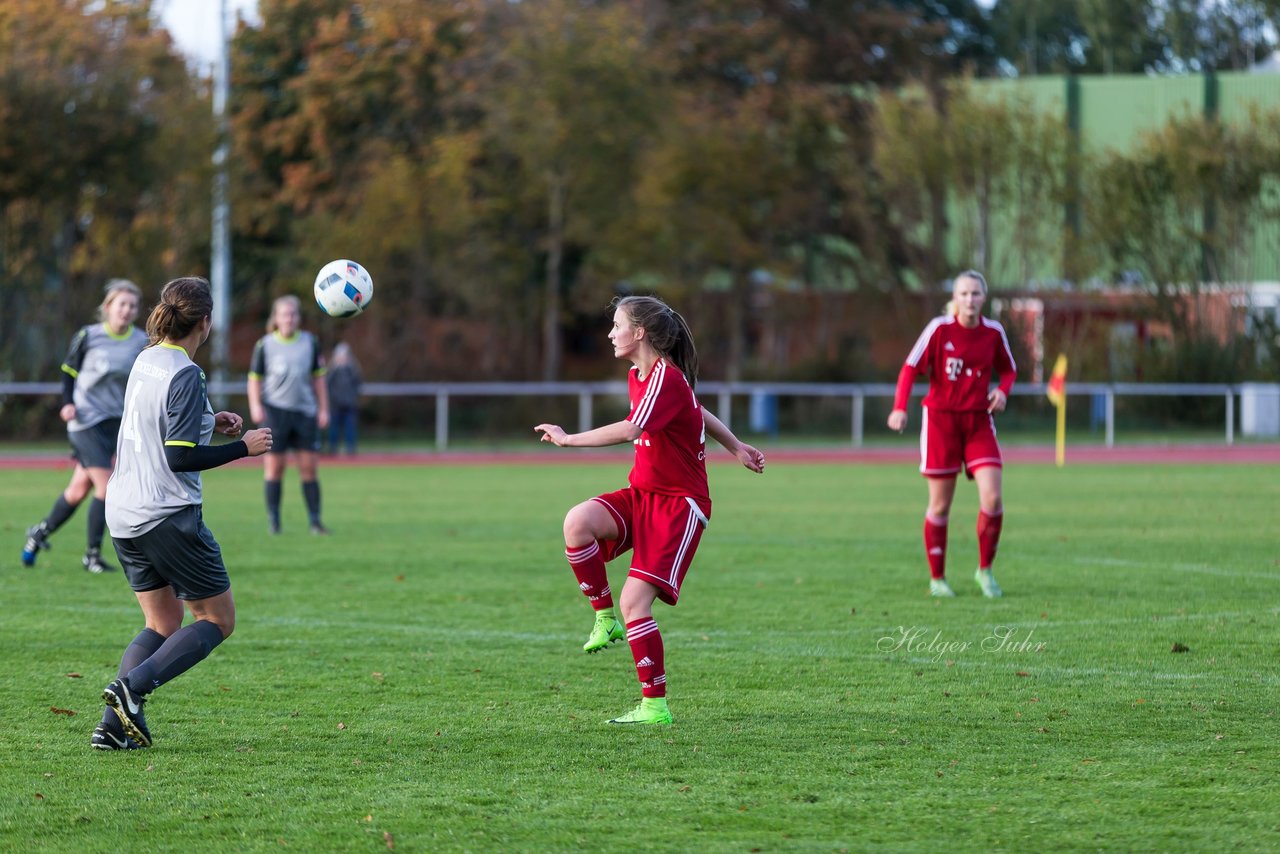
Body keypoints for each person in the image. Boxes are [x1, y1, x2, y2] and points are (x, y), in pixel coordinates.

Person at [535, 295, 766, 725]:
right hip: (642, 494)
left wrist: (568, 440)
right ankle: (604, 618)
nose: (610, 333)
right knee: (578, 522)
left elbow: (632, 428)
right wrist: (735, 446)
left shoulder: (666, 377)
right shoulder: (643, 376)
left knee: (635, 602)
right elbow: (697, 409)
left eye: (617, 325)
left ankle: (654, 707)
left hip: (679, 507)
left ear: (639, 333)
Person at [96, 276, 272, 750]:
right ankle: (131, 690)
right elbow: (178, 457)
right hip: (167, 514)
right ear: (206, 323)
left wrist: (209, 422)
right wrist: (242, 447)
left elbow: (158, 425)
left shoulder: (146, 358)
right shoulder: (186, 373)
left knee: (161, 624)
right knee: (217, 619)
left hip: (124, 512)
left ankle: (113, 728)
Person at [887, 270, 1016, 599]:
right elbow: (909, 367)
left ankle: (985, 571)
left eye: (975, 293)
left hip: (978, 423)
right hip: (941, 423)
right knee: (940, 506)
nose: (970, 299)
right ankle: (938, 578)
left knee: (993, 498)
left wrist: (1002, 391)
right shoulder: (939, 329)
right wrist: (899, 407)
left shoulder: (993, 332)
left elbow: (1009, 369)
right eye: (964, 294)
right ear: (954, 299)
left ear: (984, 298)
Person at [22, 279, 148, 574]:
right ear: (108, 307)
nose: (127, 310)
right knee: (108, 486)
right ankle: (92, 555)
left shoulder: (141, 341)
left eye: (133, 306)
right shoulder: (88, 336)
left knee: (78, 490)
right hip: (84, 421)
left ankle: (38, 533)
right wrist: (67, 402)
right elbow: (68, 371)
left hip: (115, 423)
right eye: (122, 304)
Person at [247, 295, 330, 534]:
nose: (289, 319)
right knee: (274, 469)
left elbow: (319, 378)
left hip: (304, 412)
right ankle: (274, 522)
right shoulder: (265, 345)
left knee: (309, 469)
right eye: (284, 314)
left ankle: (315, 522)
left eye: (293, 314)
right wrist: (255, 406)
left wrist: (324, 408)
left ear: (299, 318)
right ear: (276, 318)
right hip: (275, 413)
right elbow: (255, 380)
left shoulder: (310, 342)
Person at [325, 342, 362, 455]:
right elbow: (326, 383)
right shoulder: (332, 369)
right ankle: (333, 448)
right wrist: (335, 368)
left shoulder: (352, 368)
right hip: (335, 404)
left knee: (350, 428)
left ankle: (351, 449)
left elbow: (358, 382)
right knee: (334, 428)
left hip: (349, 404)